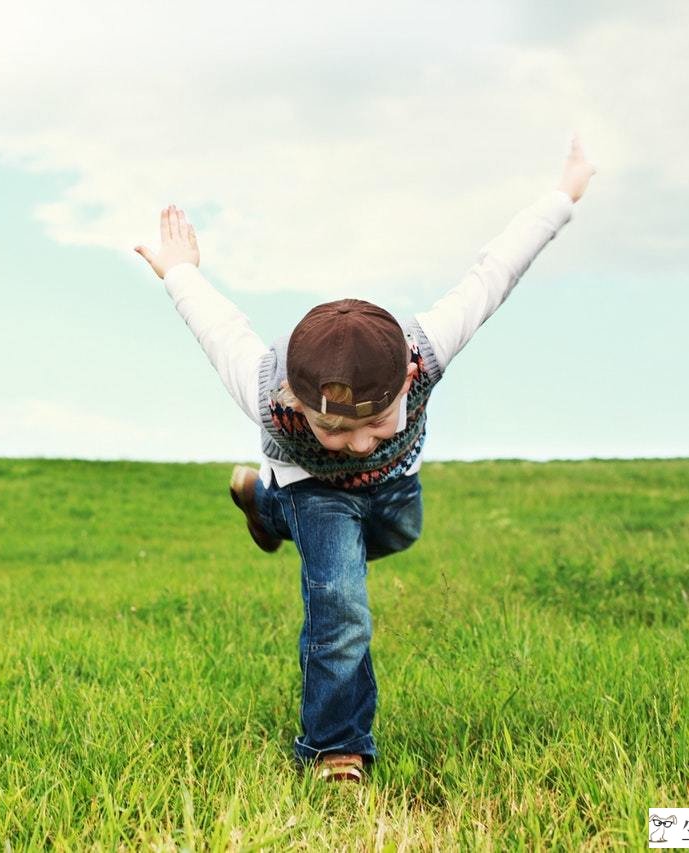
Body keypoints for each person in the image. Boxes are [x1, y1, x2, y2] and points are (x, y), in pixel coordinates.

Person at [134, 137, 596, 783]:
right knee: (341, 607)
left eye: (377, 422)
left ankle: (265, 510)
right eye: (333, 427)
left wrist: (563, 194)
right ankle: (335, 748)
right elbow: (216, 322)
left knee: (400, 535)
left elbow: (495, 271)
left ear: (406, 383)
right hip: (315, 493)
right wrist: (178, 269)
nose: (356, 443)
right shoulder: (261, 383)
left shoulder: (427, 349)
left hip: (395, 491)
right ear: (296, 395)